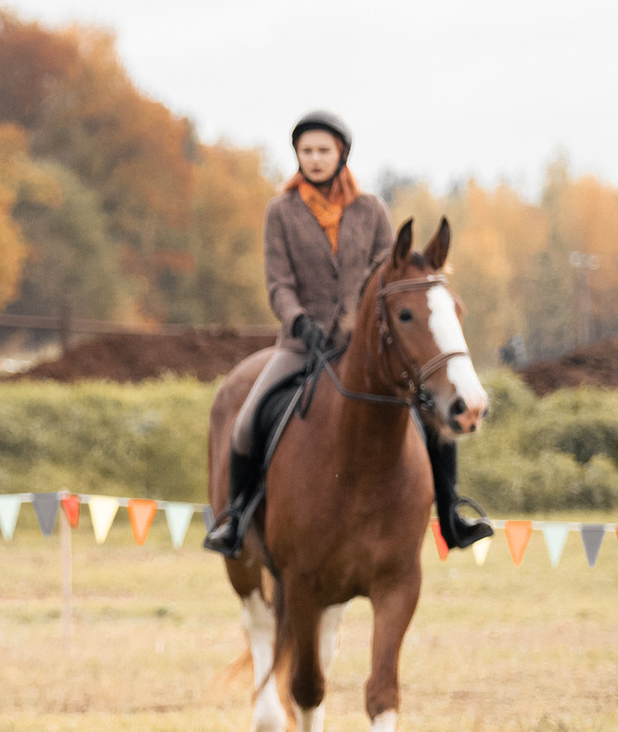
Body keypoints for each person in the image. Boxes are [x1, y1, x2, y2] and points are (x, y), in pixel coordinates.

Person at [204, 112, 491, 556]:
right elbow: (278, 282)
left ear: (341, 156)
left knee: (433, 418)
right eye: (307, 151)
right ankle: (237, 518)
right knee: (245, 424)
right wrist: (298, 320)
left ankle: (452, 515)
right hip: (301, 343)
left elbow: (384, 276)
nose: (315, 159)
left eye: (324, 151)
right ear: (297, 156)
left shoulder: (372, 210)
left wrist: (350, 326)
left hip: (364, 346)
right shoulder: (280, 211)